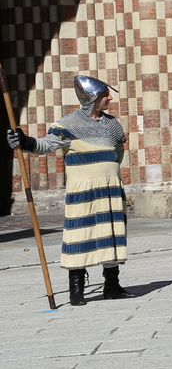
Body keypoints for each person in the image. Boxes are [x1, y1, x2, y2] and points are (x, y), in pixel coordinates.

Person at [7, 75, 133, 307]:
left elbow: (118, 152)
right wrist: (24, 141)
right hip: (82, 191)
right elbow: (45, 145)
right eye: (106, 94)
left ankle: (112, 286)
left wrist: (109, 173)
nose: (110, 98)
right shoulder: (67, 124)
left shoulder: (112, 124)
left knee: (112, 234)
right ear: (93, 98)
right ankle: (77, 289)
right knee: (79, 234)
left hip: (110, 188)